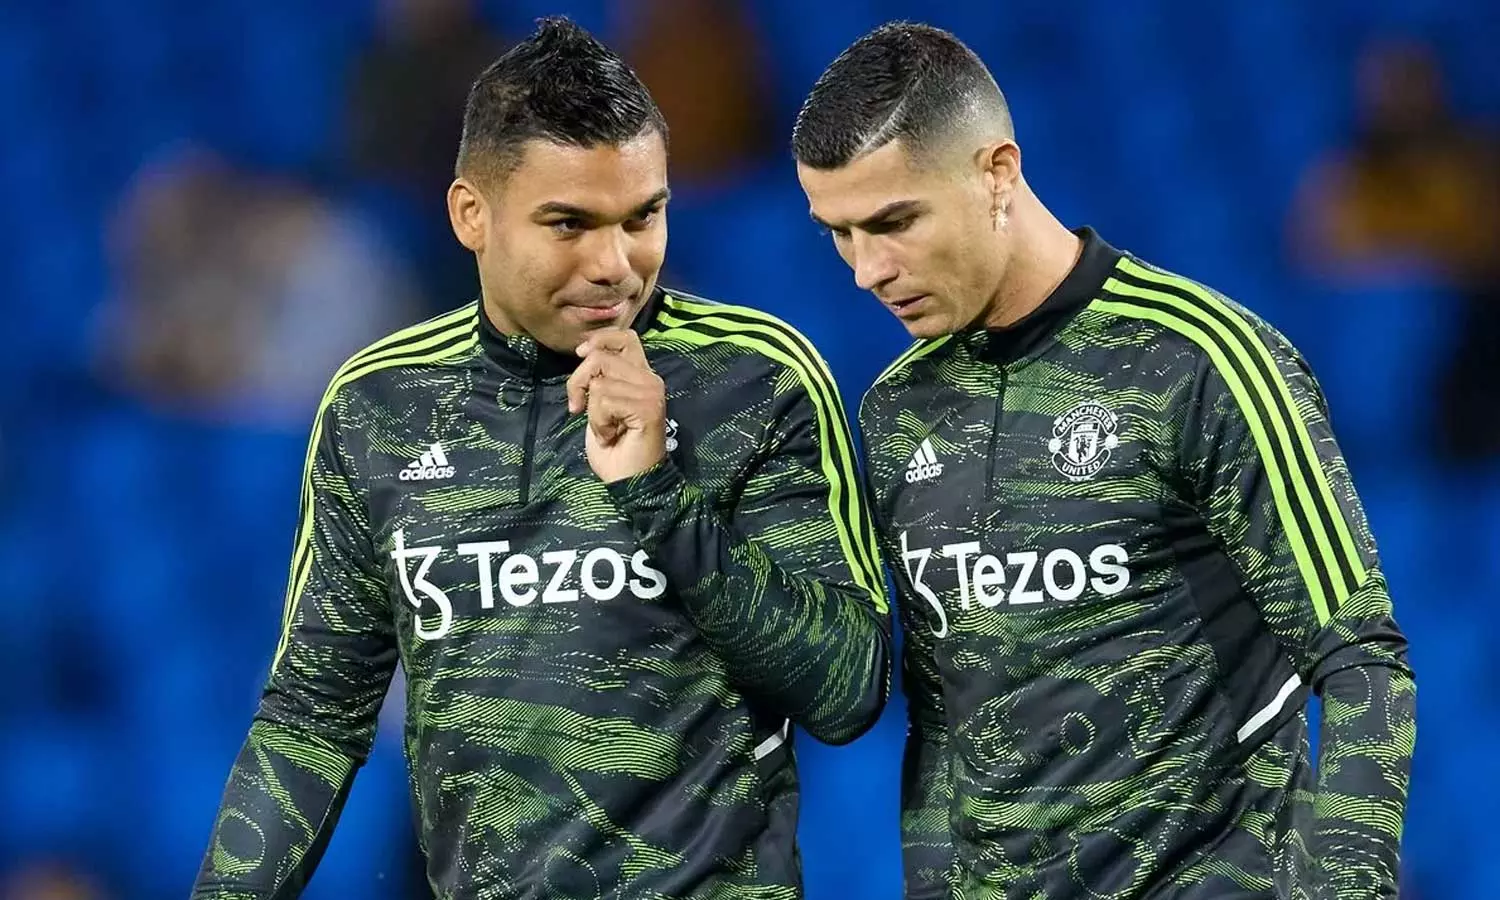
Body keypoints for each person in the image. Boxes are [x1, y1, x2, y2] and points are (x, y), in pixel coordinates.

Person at [191, 17, 889, 899]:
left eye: (642, 217)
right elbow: (312, 720)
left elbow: (846, 689)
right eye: (568, 223)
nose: (614, 265)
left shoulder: (756, 380)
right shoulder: (379, 409)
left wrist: (658, 498)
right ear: (471, 215)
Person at [792, 22, 1415, 900]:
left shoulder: (1203, 361)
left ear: (996, 172)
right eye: (840, 233)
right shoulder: (898, 410)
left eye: (894, 221)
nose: (868, 270)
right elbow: (942, 723)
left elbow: (1361, 662)